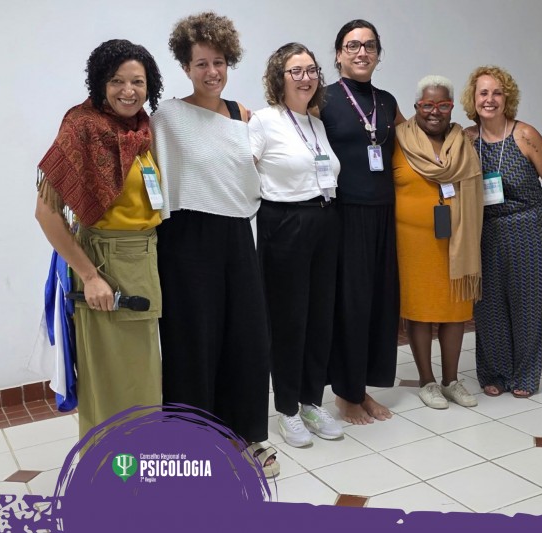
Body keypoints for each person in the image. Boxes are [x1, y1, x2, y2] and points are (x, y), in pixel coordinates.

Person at [150, 12, 277, 477]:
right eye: (201, 63)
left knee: (246, 339)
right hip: (185, 237)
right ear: (186, 66)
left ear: (229, 63)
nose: (211, 72)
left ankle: (245, 436)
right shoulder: (168, 117)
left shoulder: (242, 115)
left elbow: (251, 174)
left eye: (218, 62)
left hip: (237, 235)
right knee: (192, 342)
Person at [35, 39, 164, 440]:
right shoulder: (82, 127)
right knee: (110, 382)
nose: (128, 90)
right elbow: (46, 214)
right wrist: (90, 277)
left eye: (137, 82)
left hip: (144, 259)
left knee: (141, 377)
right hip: (105, 263)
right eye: (117, 81)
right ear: (99, 83)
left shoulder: (142, 129)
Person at [248, 43, 344, 448]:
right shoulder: (264, 121)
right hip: (285, 223)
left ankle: (311, 402)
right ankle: (287, 408)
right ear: (279, 77)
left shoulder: (315, 123)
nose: (306, 78)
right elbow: (243, 172)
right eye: (296, 71)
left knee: (320, 317)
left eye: (311, 70)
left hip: (325, 219)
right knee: (289, 321)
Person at [461, 65, 542, 399]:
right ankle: (495, 373)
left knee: (528, 304)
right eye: (483, 93)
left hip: (528, 228)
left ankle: (525, 375)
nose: (489, 99)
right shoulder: (467, 138)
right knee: (488, 305)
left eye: (497, 93)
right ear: (473, 98)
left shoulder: (525, 135)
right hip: (485, 231)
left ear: (508, 99)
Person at [320, 19, 405, 425]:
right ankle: (346, 394)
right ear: (338, 54)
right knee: (350, 307)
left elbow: (414, 144)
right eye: (352, 45)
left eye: (369, 46)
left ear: (378, 55)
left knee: (378, 305)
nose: (361, 52)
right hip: (344, 213)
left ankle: (362, 386)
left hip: (384, 212)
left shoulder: (386, 101)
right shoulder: (323, 98)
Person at [394, 75, 483, 409]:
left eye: (443, 105)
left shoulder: (463, 141)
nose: (435, 112)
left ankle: (451, 380)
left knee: (455, 310)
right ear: (417, 106)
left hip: (456, 240)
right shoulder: (398, 140)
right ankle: (426, 381)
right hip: (412, 243)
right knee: (419, 312)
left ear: (451, 107)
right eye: (428, 105)